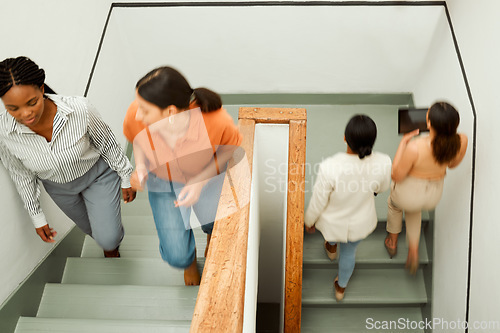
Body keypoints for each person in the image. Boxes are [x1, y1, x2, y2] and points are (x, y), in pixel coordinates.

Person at [0, 56, 135, 257]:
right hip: (59, 189)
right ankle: (108, 243)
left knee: (108, 237)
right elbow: (21, 176)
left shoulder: (79, 109)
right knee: (92, 231)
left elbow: (106, 143)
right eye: (13, 108)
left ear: (42, 89)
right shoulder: (4, 132)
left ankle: (112, 247)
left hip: (97, 176)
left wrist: (126, 177)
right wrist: (37, 217)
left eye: (32, 102)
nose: (25, 114)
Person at [123, 66, 242, 285]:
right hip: (163, 181)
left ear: (169, 112)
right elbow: (137, 140)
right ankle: (188, 260)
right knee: (176, 255)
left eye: (144, 109)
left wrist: (199, 182)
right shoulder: (136, 115)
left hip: (206, 173)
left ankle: (209, 236)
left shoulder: (215, 121)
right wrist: (140, 166)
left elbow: (228, 149)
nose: (136, 113)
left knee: (215, 223)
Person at [304, 115, 391, 301]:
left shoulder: (330, 167)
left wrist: (309, 221)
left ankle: (331, 247)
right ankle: (340, 288)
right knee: (349, 253)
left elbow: (319, 201)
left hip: (333, 223)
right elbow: (381, 188)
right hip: (360, 224)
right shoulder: (384, 162)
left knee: (332, 237)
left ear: (345, 137)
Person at [384, 102, 468, 274]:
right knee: (414, 209)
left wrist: (404, 142)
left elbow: (396, 175)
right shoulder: (462, 140)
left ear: (428, 124)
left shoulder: (415, 147)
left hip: (409, 193)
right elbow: (451, 165)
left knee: (395, 204)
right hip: (433, 195)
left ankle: (392, 241)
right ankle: (413, 248)